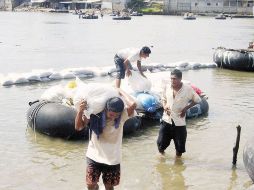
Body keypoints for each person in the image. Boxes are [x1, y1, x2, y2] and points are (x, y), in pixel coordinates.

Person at [75, 88, 136, 190]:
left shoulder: (122, 117)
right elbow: (78, 127)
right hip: (94, 155)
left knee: (109, 187)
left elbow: (133, 104)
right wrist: (80, 111)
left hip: (112, 158)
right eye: (112, 114)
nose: (114, 117)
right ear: (106, 109)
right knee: (90, 184)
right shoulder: (94, 115)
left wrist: (120, 91)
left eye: (117, 115)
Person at [157, 69, 201, 158]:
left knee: (179, 149)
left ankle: (177, 168)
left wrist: (186, 108)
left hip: (179, 122)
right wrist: (164, 105)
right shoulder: (167, 87)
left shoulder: (187, 89)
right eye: (171, 78)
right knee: (161, 145)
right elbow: (163, 98)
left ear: (180, 79)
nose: (172, 81)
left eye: (175, 79)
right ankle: (161, 164)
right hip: (166, 120)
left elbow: (197, 100)